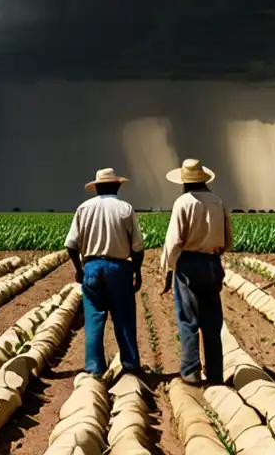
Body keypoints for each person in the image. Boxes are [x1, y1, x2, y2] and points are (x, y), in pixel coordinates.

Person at [65, 167, 144, 377]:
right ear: (117, 185)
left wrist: (79, 269)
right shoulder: (125, 208)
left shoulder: (84, 208)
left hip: (91, 267)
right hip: (119, 268)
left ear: (97, 187)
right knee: (124, 318)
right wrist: (137, 271)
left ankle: (94, 369)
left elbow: (71, 245)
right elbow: (137, 247)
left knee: (94, 319)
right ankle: (130, 366)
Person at [161, 158, 233, 386]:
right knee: (212, 323)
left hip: (189, 265)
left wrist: (168, 269)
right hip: (212, 264)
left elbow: (173, 242)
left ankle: (191, 372)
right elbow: (228, 240)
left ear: (184, 182)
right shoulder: (218, 201)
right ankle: (215, 375)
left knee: (188, 320)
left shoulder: (183, 202)